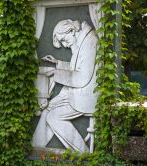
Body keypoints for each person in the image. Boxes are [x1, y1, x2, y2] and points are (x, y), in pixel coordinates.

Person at [32, 19, 98, 152]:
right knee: (48, 108)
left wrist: (56, 73)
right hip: (75, 91)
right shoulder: (80, 40)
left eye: (63, 40)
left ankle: (82, 152)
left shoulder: (89, 41)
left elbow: (82, 78)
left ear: (71, 31)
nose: (64, 45)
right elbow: (77, 68)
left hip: (85, 95)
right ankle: (37, 146)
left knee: (53, 116)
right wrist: (58, 63)